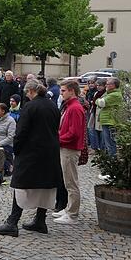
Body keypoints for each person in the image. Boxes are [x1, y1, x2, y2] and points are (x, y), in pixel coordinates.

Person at [0, 80, 62, 237]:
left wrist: (17, 149)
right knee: (46, 185)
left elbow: (21, 132)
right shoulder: (52, 105)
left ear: (30, 91)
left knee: (21, 184)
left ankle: (12, 222)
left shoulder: (30, 107)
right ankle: (40, 220)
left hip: (31, 152)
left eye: (26, 93)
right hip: (50, 151)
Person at [53, 80, 86, 225]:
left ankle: (72, 214)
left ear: (72, 91)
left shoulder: (75, 108)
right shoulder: (70, 106)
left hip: (70, 149)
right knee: (68, 181)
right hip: (66, 147)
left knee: (71, 183)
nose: (61, 93)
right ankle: (68, 209)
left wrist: (57, 139)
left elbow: (74, 133)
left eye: (63, 91)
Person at [96, 77, 122, 158]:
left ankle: (112, 159)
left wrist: (97, 100)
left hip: (110, 120)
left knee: (110, 141)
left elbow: (101, 103)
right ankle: (110, 157)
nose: (106, 85)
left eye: (108, 84)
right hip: (106, 120)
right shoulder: (109, 93)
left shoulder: (115, 95)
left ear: (113, 85)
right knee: (108, 141)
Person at [87, 78, 106, 151]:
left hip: (101, 114)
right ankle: (95, 147)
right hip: (94, 112)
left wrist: (94, 102)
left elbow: (100, 103)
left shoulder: (105, 94)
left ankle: (101, 148)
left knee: (101, 131)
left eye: (100, 85)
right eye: (97, 85)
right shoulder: (96, 93)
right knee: (92, 129)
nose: (98, 87)